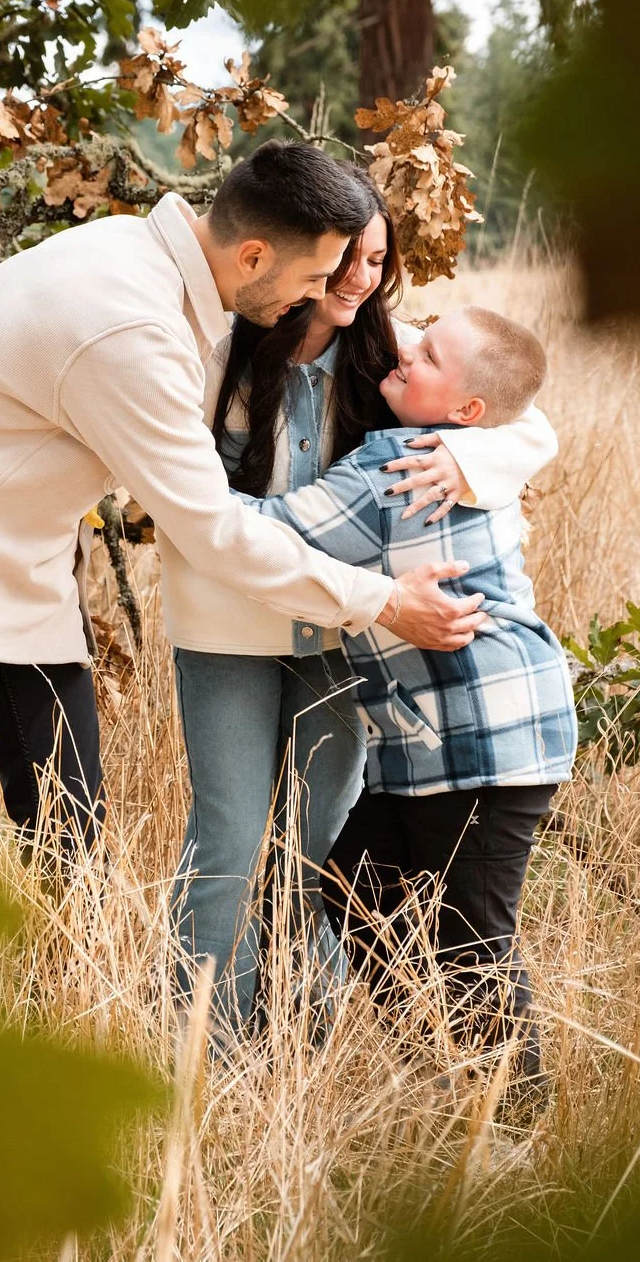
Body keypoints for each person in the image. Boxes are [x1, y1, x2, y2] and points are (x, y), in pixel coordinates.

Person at [0, 141, 490, 854]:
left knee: (69, 824)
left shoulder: (141, 256)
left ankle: (57, 965)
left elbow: (489, 383)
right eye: (316, 275)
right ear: (256, 257)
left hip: (24, 565)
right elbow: (213, 530)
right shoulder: (132, 329)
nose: (318, 296)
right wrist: (383, 602)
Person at [160, 183, 559, 1037]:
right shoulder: (216, 342)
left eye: (378, 260)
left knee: (322, 848)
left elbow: (523, 413)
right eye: (347, 257)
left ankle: (309, 1031)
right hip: (234, 627)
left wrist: (466, 458)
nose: (361, 279)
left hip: (346, 634)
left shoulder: (387, 353)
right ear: (304, 249)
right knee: (232, 840)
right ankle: (210, 1046)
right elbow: (186, 488)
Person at [240, 307, 577, 1098]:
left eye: (427, 354)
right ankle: (450, 1077)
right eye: (418, 334)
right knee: (354, 880)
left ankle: (510, 1132)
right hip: (448, 741)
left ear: (465, 413)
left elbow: (272, 530)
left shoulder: (400, 463)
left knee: (472, 939)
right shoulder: (462, 448)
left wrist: (170, 481)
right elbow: (511, 400)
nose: (405, 349)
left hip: (488, 739)